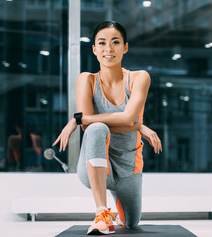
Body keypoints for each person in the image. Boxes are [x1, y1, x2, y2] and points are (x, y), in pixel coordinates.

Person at [53, 21, 162, 235]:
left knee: (131, 224)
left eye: (115, 42)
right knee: (96, 129)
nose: (108, 49)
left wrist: (134, 123)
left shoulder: (139, 78)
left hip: (129, 168)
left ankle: (116, 199)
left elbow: (128, 117)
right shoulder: (86, 80)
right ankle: (101, 213)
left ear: (125, 47)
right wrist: (135, 125)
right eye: (101, 43)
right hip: (94, 166)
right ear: (94, 49)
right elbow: (88, 124)